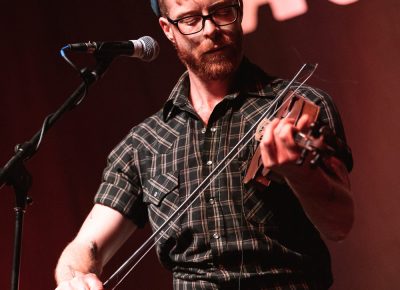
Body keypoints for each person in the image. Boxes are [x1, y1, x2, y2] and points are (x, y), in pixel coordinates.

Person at [54, 0, 354, 289]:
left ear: (239, 9)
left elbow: (339, 223)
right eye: (190, 20)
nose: (210, 29)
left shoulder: (298, 106)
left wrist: (298, 172)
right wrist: (75, 278)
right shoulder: (142, 144)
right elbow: (86, 245)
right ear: (168, 29)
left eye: (222, 11)